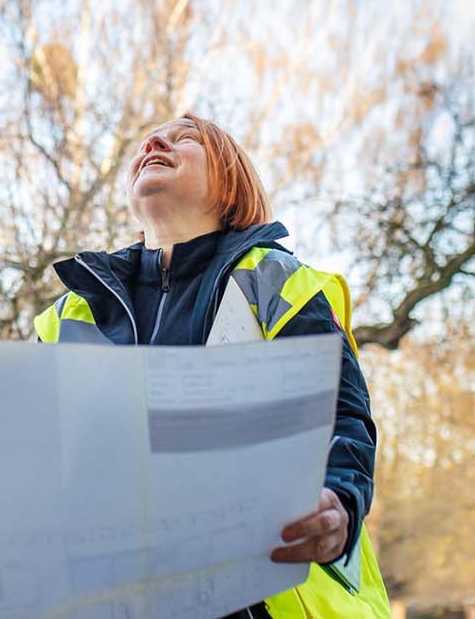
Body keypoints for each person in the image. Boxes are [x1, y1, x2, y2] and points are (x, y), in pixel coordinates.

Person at [35, 112, 391, 619]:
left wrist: (339, 501)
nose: (155, 141)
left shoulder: (275, 281)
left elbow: (340, 418)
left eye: (185, 138)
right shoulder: (68, 315)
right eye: (149, 141)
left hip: (263, 599)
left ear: (231, 185)